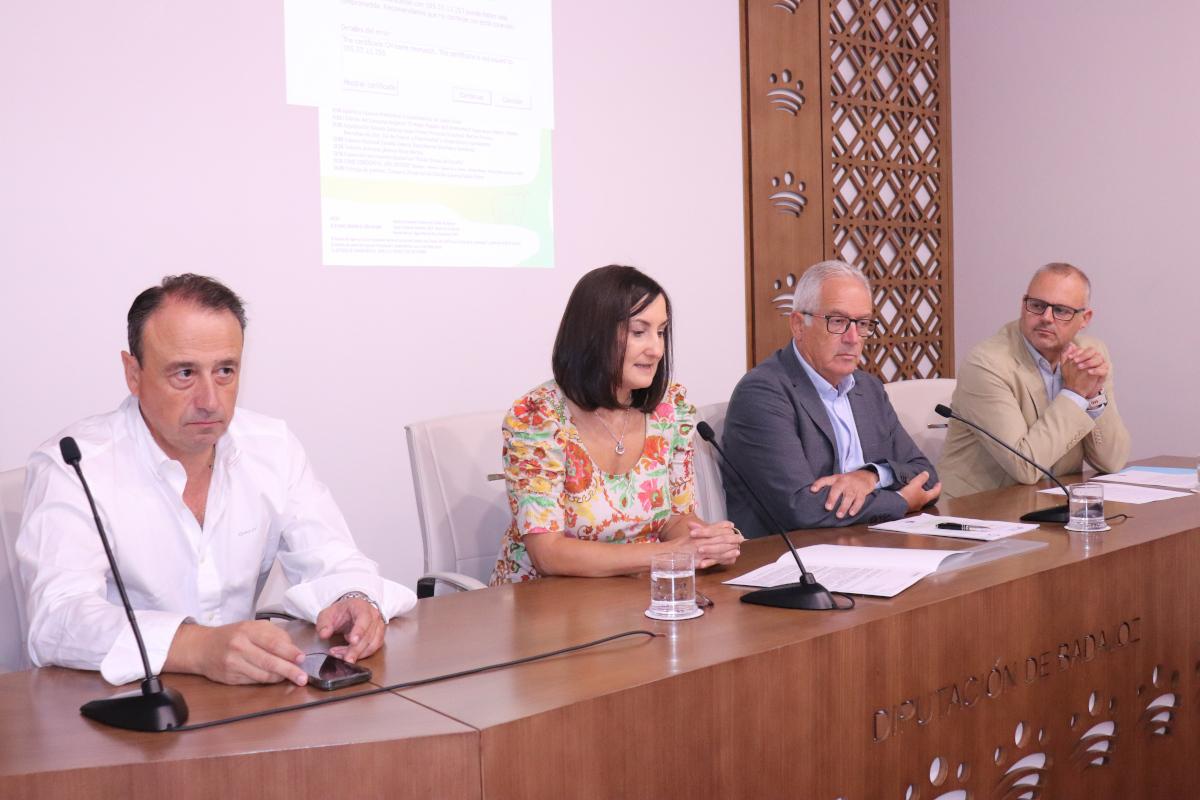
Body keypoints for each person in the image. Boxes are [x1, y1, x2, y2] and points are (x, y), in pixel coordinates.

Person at [17, 274, 415, 687]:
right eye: (184, 373)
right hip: (120, 702)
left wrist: (354, 597)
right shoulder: (73, 465)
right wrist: (196, 646)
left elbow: (332, 556)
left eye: (225, 371)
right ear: (133, 373)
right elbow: (56, 618)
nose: (209, 400)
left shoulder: (271, 446)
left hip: (242, 696)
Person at [490, 265, 744, 584]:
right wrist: (667, 555)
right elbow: (548, 554)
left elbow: (675, 518)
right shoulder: (537, 416)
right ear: (592, 335)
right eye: (639, 332)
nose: (656, 350)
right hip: (546, 599)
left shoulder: (670, 409)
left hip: (636, 592)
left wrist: (706, 543)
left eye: (661, 332)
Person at [721, 260, 941, 538]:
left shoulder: (868, 389)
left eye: (862, 323)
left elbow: (926, 476)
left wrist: (871, 476)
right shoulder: (763, 393)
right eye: (837, 321)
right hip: (794, 554)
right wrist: (899, 501)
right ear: (798, 325)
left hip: (871, 542)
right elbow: (801, 508)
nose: (853, 338)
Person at [938, 263, 1130, 498]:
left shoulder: (1089, 355)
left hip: (1050, 503)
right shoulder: (987, 364)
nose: (1046, 318)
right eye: (1037, 306)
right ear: (1023, 304)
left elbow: (1112, 462)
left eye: (1061, 310)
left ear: (1085, 319)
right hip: (978, 509)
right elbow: (1025, 467)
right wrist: (1075, 395)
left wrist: (1093, 398)